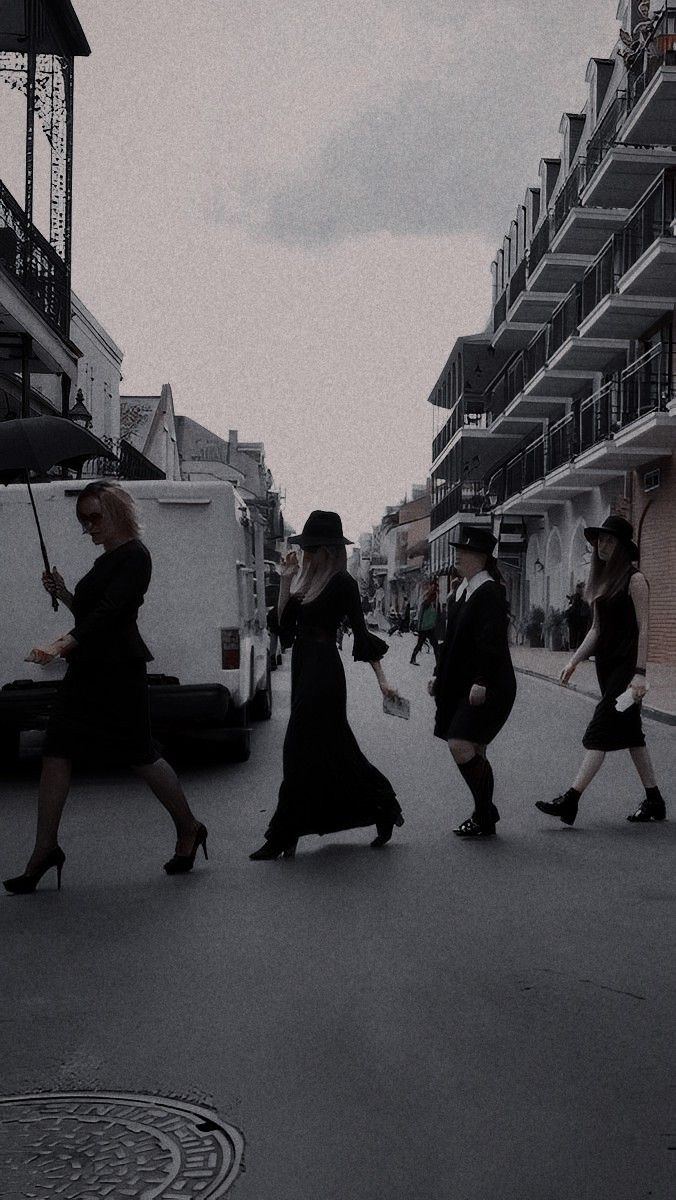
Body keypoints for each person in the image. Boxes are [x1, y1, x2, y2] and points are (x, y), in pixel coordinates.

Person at [3, 481, 207, 894]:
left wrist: (60, 645)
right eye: (83, 521)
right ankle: (45, 849)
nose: (89, 527)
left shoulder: (135, 557)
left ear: (116, 512)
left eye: (95, 517)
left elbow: (113, 614)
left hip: (117, 672)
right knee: (55, 751)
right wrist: (63, 592)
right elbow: (92, 612)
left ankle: (189, 828)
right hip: (87, 670)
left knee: (141, 754)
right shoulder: (108, 559)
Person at [249, 510, 404, 859]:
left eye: (311, 548)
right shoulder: (303, 580)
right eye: (304, 548)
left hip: (324, 671)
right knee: (336, 750)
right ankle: (382, 806)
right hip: (304, 665)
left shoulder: (342, 583)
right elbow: (284, 628)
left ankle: (282, 835)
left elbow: (363, 636)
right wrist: (286, 580)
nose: (305, 554)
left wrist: (383, 682)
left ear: (329, 550)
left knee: (296, 750)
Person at [535, 515, 666, 827]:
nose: (602, 545)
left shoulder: (635, 580)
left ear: (622, 546)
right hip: (606, 668)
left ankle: (571, 800)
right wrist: (574, 660)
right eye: (599, 540)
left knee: (601, 728)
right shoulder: (602, 581)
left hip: (628, 670)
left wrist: (640, 673)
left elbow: (645, 628)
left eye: (609, 540)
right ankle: (654, 800)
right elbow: (596, 629)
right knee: (632, 733)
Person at [428, 529, 516, 838]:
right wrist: (439, 674)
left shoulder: (490, 591)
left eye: (464, 551)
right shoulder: (461, 591)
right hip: (466, 683)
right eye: (458, 549)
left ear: (481, 558)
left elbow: (490, 641)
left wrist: (482, 681)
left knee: (460, 743)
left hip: (491, 684)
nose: (458, 554)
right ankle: (484, 817)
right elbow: (450, 642)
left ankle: (484, 813)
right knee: (475, 747)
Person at [410, 581, 440, 664]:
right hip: (427, 627)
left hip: (427, 626)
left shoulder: (428, 599)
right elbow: (423, 614)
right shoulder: (428, 600)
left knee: (422, 644)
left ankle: (413, 658)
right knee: (434, 645)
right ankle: (439, 663)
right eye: (434, 588)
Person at [564, 582, 591, 651]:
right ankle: (574, 648)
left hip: (583, 618)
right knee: (574, 634)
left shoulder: (585, 597)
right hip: (575, 619)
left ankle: (579, 648)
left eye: (581, 588)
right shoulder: (574, 598)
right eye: (579, 588)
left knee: (582, 634)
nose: (580, 590)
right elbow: (570, 608)